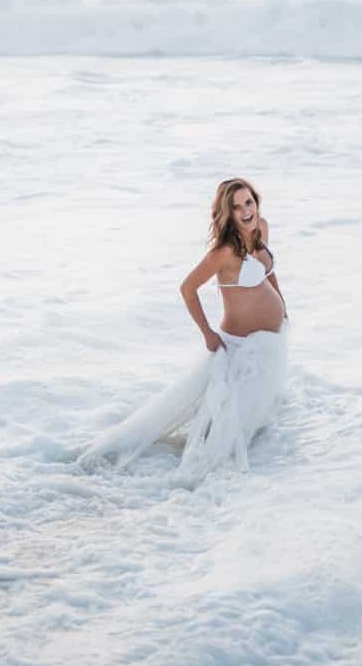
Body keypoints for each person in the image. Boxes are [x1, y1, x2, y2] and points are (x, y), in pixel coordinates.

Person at [79, 178, 290, 483]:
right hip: (239, 348)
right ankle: (196, 488)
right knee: (221, 435)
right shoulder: (224, 253)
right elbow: (188, 288)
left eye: (249, 202)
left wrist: (282, 304)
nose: (246, 211)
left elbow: (269, 272)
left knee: (251, 422)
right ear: (226, 214)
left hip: (269, 343)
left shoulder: (262, 229)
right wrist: (207, 334)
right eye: (236, 207)